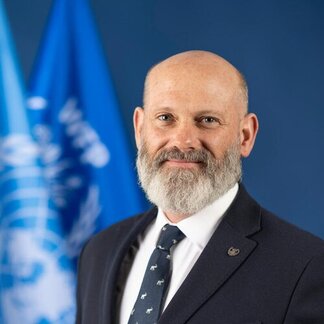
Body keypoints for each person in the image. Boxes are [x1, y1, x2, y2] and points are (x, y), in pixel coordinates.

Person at [76, 50, 324, 324]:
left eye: (207, 120)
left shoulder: (307, 267)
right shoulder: (99, 252)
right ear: (139, 128)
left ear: (245, 136)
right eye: (165, 118)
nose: (183, 141)